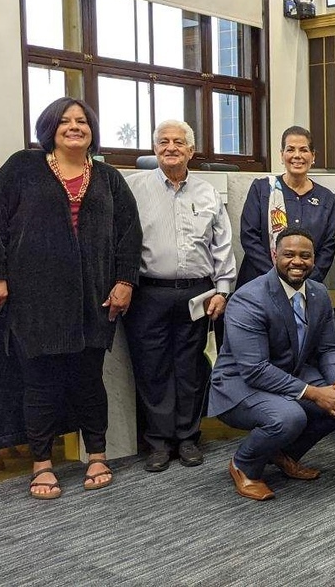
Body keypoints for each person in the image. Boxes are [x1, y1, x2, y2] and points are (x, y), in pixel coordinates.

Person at [0, 96, 143, 499]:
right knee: (41, 383)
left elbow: (129, 233)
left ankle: (98, 455)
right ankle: (42, 464)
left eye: (82, 121)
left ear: (92, 130)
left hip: (94, 300)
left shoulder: (107, 178)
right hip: (36, 301)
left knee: (89, 380)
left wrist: (125, 281)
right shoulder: (23, 167)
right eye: (65, 121)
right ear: (50, 127)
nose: (74, 127)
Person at [208, 227, 335, 501]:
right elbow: (255, 369)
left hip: (289, 374)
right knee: (290, 417)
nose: (297, 261)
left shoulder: (318, 293)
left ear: (314, 259)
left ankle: (284, 453)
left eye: (305, 256)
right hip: (239, 384)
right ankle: (244, 465)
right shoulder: (249, 298)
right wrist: (316, 393)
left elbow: (329, 348)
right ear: (274, 255)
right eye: (289, 254)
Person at [123, 120, 236, 472]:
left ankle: (188, 438)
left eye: (178, 142)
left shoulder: (207, 193)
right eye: (163, 141)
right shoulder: (134, 188)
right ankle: (158, 443)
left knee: (190, 368)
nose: (170, 147)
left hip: (196, 294)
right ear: (154, 148)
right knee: (152, 369)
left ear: (191, 150)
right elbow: (122, 242)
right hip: (149, 294)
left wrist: (223, 289)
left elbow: (222, 245)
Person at [238, 126, 335, 287]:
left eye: (303, 150)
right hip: (260, 283)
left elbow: (328, 247)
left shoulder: (326, 199)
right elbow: (249, 237)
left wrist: (308, 281)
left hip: (305, 286)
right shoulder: (262, 189)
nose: (297, 156)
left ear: (313, 156)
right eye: (290, 149)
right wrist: (276, 278)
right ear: (282, 155)